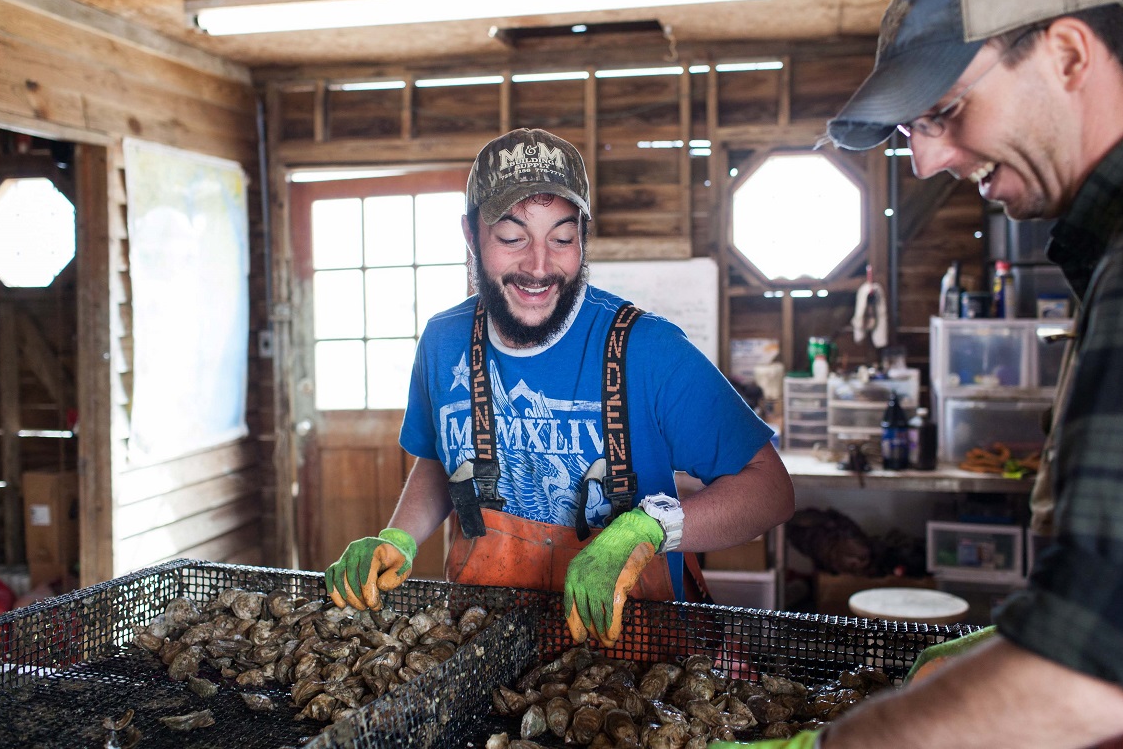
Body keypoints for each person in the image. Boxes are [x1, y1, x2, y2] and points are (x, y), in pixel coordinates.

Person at [712, 0, 1123, 747]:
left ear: (1067, 55)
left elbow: (1102, 665)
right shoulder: (1122, 247)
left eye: (946, 110)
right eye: (914, 130)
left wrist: (836, 744)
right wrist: (984, 656)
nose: (926, 159)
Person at [325, 127, 795, 647]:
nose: (539, 265)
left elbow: (770, 491)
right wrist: (400, 537)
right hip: (483, 655)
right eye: (512, 237)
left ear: (584, 237)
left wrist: (651, 528)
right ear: (470, 233)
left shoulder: (648, 349)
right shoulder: (444, 342)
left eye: (563, 238)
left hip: (633, 668)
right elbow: (441, 459)